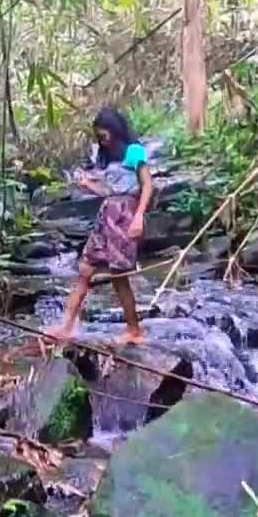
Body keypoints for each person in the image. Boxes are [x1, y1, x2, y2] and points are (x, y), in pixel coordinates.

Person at [46, 107, 152, 344]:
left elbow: (147, 186)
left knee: (119, 276)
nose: (102, 141)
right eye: (99, 137)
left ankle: (134, 330)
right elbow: (108, 191)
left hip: (125, 215)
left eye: (104, 136)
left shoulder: (134, 152)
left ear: (115, 131)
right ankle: (66, 326)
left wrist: (138, 218)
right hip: (107, 215)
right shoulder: (107, 158)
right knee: (84, 269)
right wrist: (88, 185)